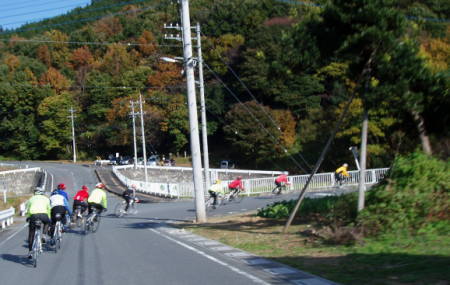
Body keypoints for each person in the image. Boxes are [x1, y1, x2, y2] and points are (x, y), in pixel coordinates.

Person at [26, 187, 51, 258]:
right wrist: (48, 217)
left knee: (31, 234)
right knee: (47, 223)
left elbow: (28, 209)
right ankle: (43, 235)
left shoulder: (31, 199)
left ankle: (30, 252)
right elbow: (49, 209)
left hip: (34, 216)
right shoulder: (46, 199)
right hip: (44, 215)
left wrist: (29, 216)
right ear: (42, 192)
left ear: (35, 192)